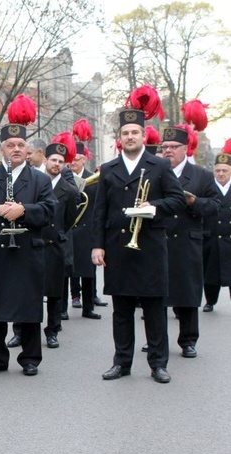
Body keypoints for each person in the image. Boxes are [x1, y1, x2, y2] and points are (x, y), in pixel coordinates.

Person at [92, 102, 185, 384]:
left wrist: (153, 206)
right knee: (121, 309)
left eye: (135, 132)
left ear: (144, 136)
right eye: (125, 133)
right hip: (119, 247)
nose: (130, 137)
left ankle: (158, 364)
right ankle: (122, 362)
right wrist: (97, 246)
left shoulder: (159, 165)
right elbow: (100, 212)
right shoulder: (108, 169)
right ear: (120, 138)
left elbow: (177, 199)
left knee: (154, 308)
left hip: (150, 246)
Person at [0, 112, 57, 376]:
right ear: (1, 148)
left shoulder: (40, 179)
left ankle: (30, 358)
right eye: (10, 145)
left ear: (27, 150)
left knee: (28, 305)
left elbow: (50, 211)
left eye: (20, 145)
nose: (16, 149)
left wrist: (24, 211)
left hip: (26, 251)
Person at [154, 125, 219, 358]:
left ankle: (188, 340)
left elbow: (214, 206)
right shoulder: (155, 171)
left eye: (174, 147)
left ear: (185, 148)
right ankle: (156, 339)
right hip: (159, 239)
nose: (169, 151)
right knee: (157, 293)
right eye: (165, 147)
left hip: (187, 241)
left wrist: (194, 203)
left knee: (188, 292)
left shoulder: (201, 175)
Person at [39, 140, 78, 348]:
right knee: (29, 289)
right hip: (35, 242)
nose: (56, 164)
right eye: (53, 159)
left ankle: (52, 330)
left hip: (56, 244)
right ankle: (21, 330)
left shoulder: (69, 191)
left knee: (55, 291)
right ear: (45, 160)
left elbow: (71, 219)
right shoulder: (34, 183)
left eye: (60, 161)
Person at [67, 142, 102, 319]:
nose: (73, 162)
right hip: (69, 229)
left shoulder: (93, 179)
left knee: (88, 270)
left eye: (77, 159)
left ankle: (88, 307)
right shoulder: (65, 177)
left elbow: (98, 207)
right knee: (67, 268)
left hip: (87, 229)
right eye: (71, 159)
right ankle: (65, 306)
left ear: (84, 160)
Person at [203, 153, 231, 311]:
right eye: (218, 170)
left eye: (225, 170)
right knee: (210, 272)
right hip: (211, 236)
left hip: (229, 238)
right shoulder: (209, 187)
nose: (221, 174)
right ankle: (210, 301)